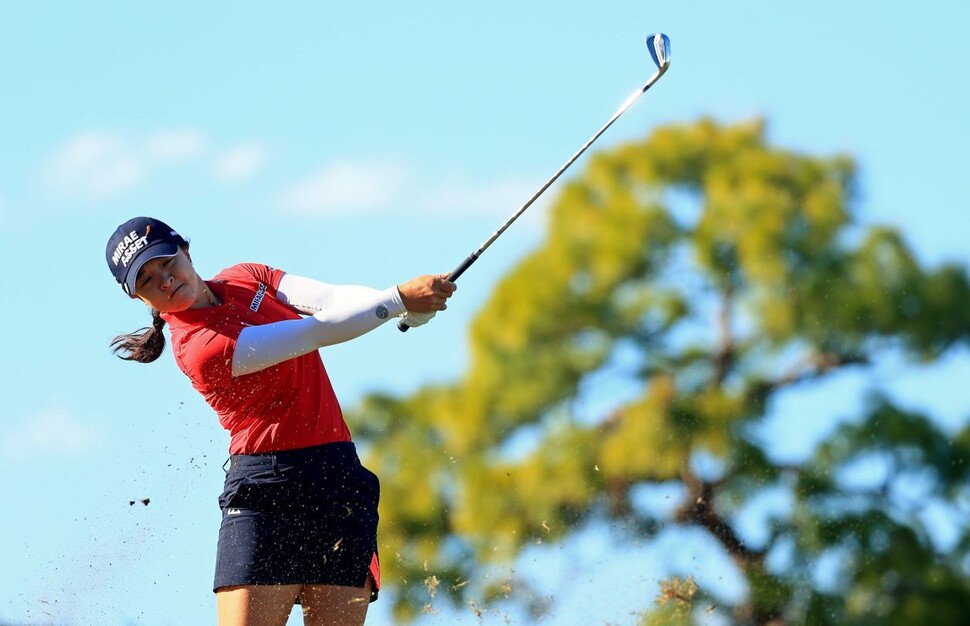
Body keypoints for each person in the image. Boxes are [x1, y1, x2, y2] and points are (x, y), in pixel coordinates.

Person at [105, 216, 456, 626]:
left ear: (186, 250)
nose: (164, 281)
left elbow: (330, 300)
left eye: (166, 263)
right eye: (147, 281)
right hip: (264, 493)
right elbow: (311, 332)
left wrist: (402, 307)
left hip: (338, 479)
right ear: (140, 299)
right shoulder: (199, 348)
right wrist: (396, 301)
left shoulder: (245, 276)